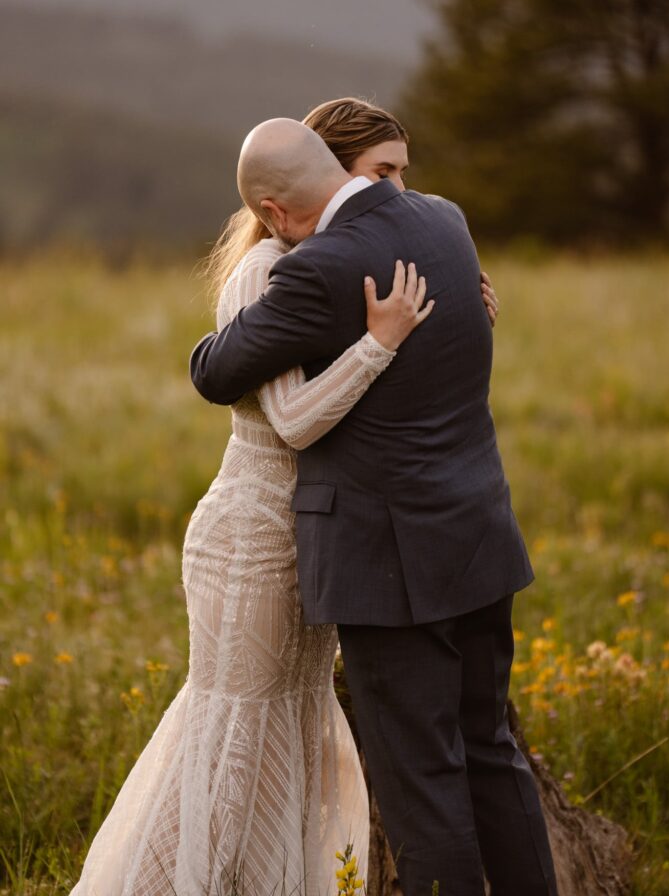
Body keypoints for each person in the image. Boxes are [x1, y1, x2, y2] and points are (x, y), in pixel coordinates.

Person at [69, 100, 496, 896]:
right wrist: (380, 343)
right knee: (238, 732)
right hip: (253, 537)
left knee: (295, 731)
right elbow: (295, 419)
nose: (395, 197)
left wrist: (457, 316)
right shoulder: (273, 271)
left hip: (315, 540)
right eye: (381, 176)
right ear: (302, 193)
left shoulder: (340, 259)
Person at [190, 116, 558, 896]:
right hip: (480, 537)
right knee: (490, 752)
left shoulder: (321, 267)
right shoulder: (444, 221)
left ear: (276, 211)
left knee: (421, 783)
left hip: (391, 572)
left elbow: (216, 373)